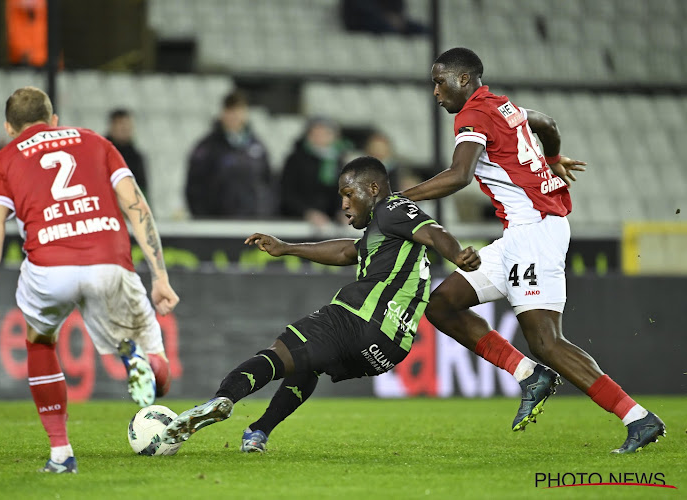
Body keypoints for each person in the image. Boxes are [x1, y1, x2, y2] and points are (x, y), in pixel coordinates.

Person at [401, 47, 665, 454]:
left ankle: (638, 418)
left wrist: (397, 199)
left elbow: (459, 175)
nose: (435, 91)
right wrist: (554, 157)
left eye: (440, 81)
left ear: (464, 80)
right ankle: (528, 375)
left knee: (546, 341)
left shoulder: (471, 115)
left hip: (535, 234)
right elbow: (548, 122)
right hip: (520, 235)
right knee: (441, 304)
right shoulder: (502, 106)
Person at [160, 156, 480, 452]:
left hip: (359, 317)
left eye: (348, 194)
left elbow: (434, 232)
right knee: (308, 365)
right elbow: (345, 252)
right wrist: (287, 248)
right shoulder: (384, 233)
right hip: (388, 348)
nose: (343, 204)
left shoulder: (392, 207)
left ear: (373, 188)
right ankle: (258, 432)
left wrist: (457, 256)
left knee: (277, 354)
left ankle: (223, 399)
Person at [0, 87, 180, 473]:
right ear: (53, 120)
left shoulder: (2, 160)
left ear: (8, 127)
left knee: (39, 339)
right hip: (109, 263)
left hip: (49, 268)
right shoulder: (96, 142)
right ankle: (146, 362)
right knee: (158, 365)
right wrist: (160, 277)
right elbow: (137, 206)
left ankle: (61, 454)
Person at [185, 90, 274, 217]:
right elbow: (195, 188)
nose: (235, 116)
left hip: (253, 222)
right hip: (218, 223)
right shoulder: (207, 147)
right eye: (230, 111)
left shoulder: (258, 148)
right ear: (223, 113)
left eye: (238, 110)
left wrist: (265, 213)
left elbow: (269, 184)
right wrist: (203, 219)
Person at [279, 116, 350, 229]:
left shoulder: (338, 161)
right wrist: (307, 212)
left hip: (329, 223)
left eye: (324, 133)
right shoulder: (295, 159)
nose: (319, 137)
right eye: (315, 133)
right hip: (298, 221)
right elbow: (287, 193)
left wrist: (342, 211)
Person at [106, 109, 148, 198]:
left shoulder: (136, 157)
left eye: (128, 125)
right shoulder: (102, 154)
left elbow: (142, 189)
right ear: (112, 126)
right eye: (121, 124)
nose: (125, 129)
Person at [341, 0, 429, 36]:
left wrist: (397, 17)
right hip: (362, 22)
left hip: (388, 20)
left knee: (424, 30)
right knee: (391, 32)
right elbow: (359, 7)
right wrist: (385, 17)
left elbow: (397, 6)